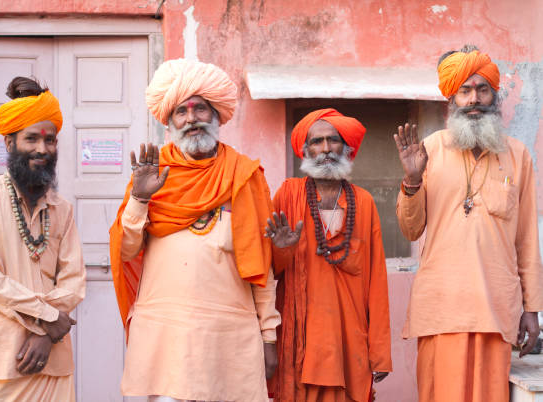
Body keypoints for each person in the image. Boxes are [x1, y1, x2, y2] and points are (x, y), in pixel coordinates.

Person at [109, 59, 299, 402]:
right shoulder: (152, 175)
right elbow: (125, 252)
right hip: (167, 339)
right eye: (181, 111)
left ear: (217, 115)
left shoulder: (245, 175)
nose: (192, 118)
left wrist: (269, 338)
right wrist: (139, 198)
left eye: (200, 109)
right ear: (169, 122)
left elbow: (262, 268)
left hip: (229, 338)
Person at [395, 45, 543, 402]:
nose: (474, 98)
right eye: (465, 90)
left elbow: (526, 239)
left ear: (495, 95)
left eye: (482, 89)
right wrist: (412, 181)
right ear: (453, 99)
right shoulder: (431, 149)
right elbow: (411, 230)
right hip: (441, 308)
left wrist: (532, 309)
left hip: (496, 309)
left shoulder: (517, 155)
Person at [0, 77, 86, 401]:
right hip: (4, 361)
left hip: (55, 360)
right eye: (31, 139)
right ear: (9, 142)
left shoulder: (63, 209)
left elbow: (73, 282)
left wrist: (45, 336)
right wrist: (48, 319)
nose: (42, 149)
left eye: (50, 140)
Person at [269, 108, 392, 402]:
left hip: (349, 342)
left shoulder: (364, 202)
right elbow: (267, 270)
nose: (325, 149)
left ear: (347, 147)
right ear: (305, 149)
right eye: (316, 142)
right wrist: (282, 249)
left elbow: (376, 280)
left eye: (333, 140)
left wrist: (380, 351)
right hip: (301, 341)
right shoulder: (288, 194)